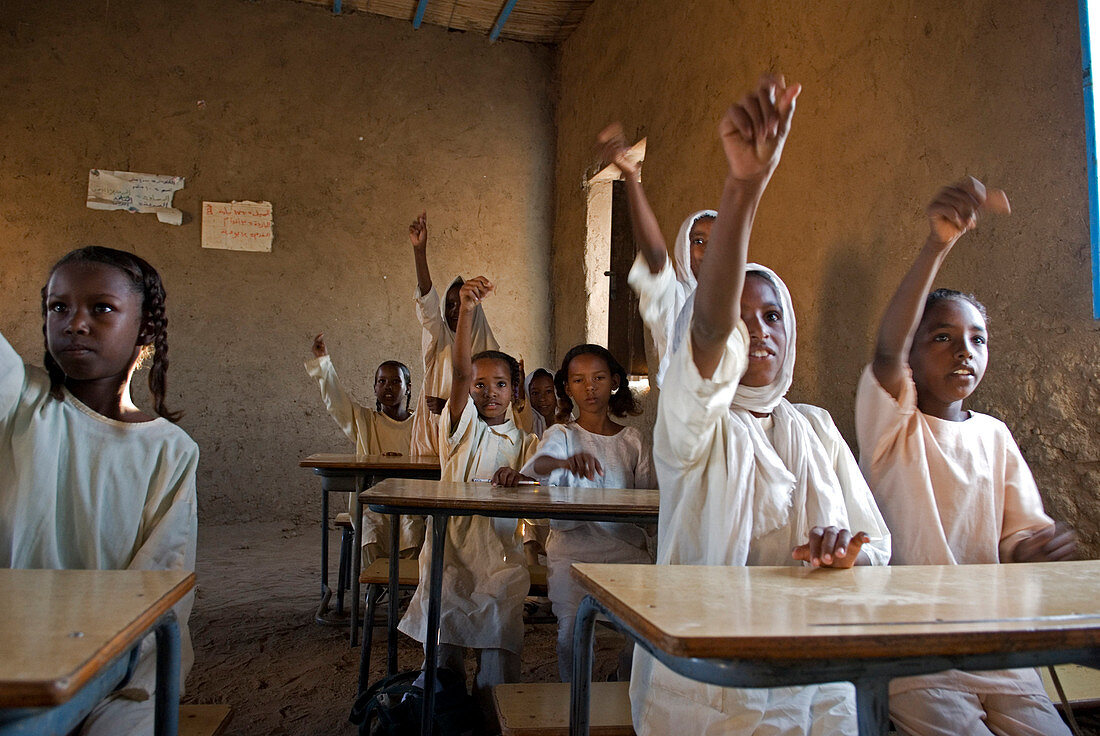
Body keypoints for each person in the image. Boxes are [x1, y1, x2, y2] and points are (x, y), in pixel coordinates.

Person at [629, 74, 888, 735]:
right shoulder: (694, 427)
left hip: (815, 669)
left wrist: (846, 552)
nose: (760, 330)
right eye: (745, 318)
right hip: (713, 680)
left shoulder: (817, 429)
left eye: (773, 315)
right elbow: (708, 335)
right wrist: (743, 189)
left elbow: (877, 545)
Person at [857, 177, 1074, 736]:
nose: (964, 352)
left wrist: (1037, 551)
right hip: (912, 651)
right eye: (942, 338)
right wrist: (937, 244)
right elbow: (885, 348)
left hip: (997, 647)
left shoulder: (995, 437)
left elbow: (1017, 540)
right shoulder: (893, 428)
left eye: (977, 339)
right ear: (911, 351)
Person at [0, 246, 198, 736]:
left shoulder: (169, 451)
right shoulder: (19, 402)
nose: (75, 323)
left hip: (115, 660)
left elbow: (159, 585)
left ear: (145, 329)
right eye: (58, 307)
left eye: (101, 308)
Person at [398, 276, 537, 694]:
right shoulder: (461, 428)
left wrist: (524, 479)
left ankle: (495, 713)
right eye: (479, 385)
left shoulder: (526, 442)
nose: (489, 393)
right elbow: (458, 371)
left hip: (501, 561)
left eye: (500, 385)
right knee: (443, 668)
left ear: (515, 391)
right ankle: (445, 710)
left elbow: (541, 491)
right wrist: (467, 313)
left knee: (498, 667)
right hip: (449, 555)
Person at [520, 343, 655, 681]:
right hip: (573, 555)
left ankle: (622, 692)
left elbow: (650, 502)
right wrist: (566, 462)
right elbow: (538, 466)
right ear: (567, 388)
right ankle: (576, 707)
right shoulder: (561, 435)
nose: (589, 387)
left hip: (628, 555)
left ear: (615, 382)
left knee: (643, 642)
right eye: (578, 380)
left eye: (598, 378)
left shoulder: (633, 441)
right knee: (571, 639)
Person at [597, 122, 716, 387]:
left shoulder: (746, 297)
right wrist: (631, 177)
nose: (710, 250)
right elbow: (655, 256)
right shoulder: (675, 298)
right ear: (684, 250)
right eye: (698, 241)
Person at [305, 334, 420, 564]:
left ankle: (406, 591)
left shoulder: (421, 425)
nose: (388, 387)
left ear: (408, 388)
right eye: (382, 381)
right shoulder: (364, 421)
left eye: (396, 381)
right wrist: (323, 362)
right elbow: (335, 402)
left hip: (411, 502)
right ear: (375, 388)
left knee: (414, 527)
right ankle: (375, 588)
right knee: (370, 530)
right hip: (373, 504)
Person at [408, 212, 499, 456]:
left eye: (463, 303)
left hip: (472, 440)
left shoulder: (487, 350)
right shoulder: (438, 338)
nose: (456, 310)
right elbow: (427, 302)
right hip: (432, 436)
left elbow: (493, 402)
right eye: (450, 304)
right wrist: (420, 252)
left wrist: (450, 406)